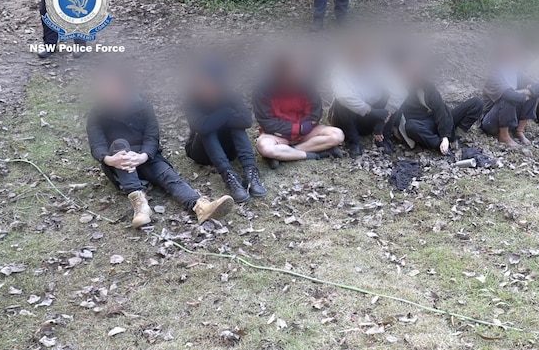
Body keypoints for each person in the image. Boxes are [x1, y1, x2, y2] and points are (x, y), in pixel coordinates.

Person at [86, 68, 234, 229]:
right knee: (120, 144)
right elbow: (97, 144)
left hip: (147, 156)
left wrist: (143, 156)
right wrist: (110, 160)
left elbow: (152, 137)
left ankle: (200, 206)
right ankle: (140, 207)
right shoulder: (97, 113)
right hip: (118, 164)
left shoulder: (143, 107)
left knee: (170, 177)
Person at [183, 62, 266, 204]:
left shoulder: (229, 96)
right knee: (207, 130)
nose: (207, 86)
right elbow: (202, 127)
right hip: (201, 151)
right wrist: (226, 112)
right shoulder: (191, 101)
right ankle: (228, 176)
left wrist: (215, 119)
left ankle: (251, 172)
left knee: (236, 127)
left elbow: (246, 121)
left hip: (229, 149)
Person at [254, 55, 345, 164]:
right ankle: (315, 154)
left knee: (337, 135)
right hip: (277, 134)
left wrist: (303, 128)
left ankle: (286, 153)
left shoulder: (305, 84)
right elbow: (266, 121)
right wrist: (297, 129)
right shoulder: (262, 89)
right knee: (265, 148)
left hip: (306, 131)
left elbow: (315, 113)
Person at [389, 54, 483, 154]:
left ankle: (455, 137)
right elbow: (390, 111)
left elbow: (440, 110)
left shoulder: (426, 86)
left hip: (436, 121)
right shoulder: (396, 88)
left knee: (476, 103)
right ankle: (440, 146)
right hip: (420, 126)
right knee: (412, 126)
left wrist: (445, 136)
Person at [328, 46, 406, 157]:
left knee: (394, 99)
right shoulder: (340, 69)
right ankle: (354, 142)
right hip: (350, 119)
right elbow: (343, 96)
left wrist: (383, 119)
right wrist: (371, 111)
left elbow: (400, 91)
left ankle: (384, 138)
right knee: (340, 102)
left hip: (376, 118)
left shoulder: (379, 67)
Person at [480, 40, 539, 147]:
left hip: (512, 118)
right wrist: (526, 93)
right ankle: (504, 136)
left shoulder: (517, 72)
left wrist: (526, 92)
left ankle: (519, 131)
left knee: (534, 96)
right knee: (508, 99)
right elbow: (510, 95)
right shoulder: (494, 75)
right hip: (491, 121)